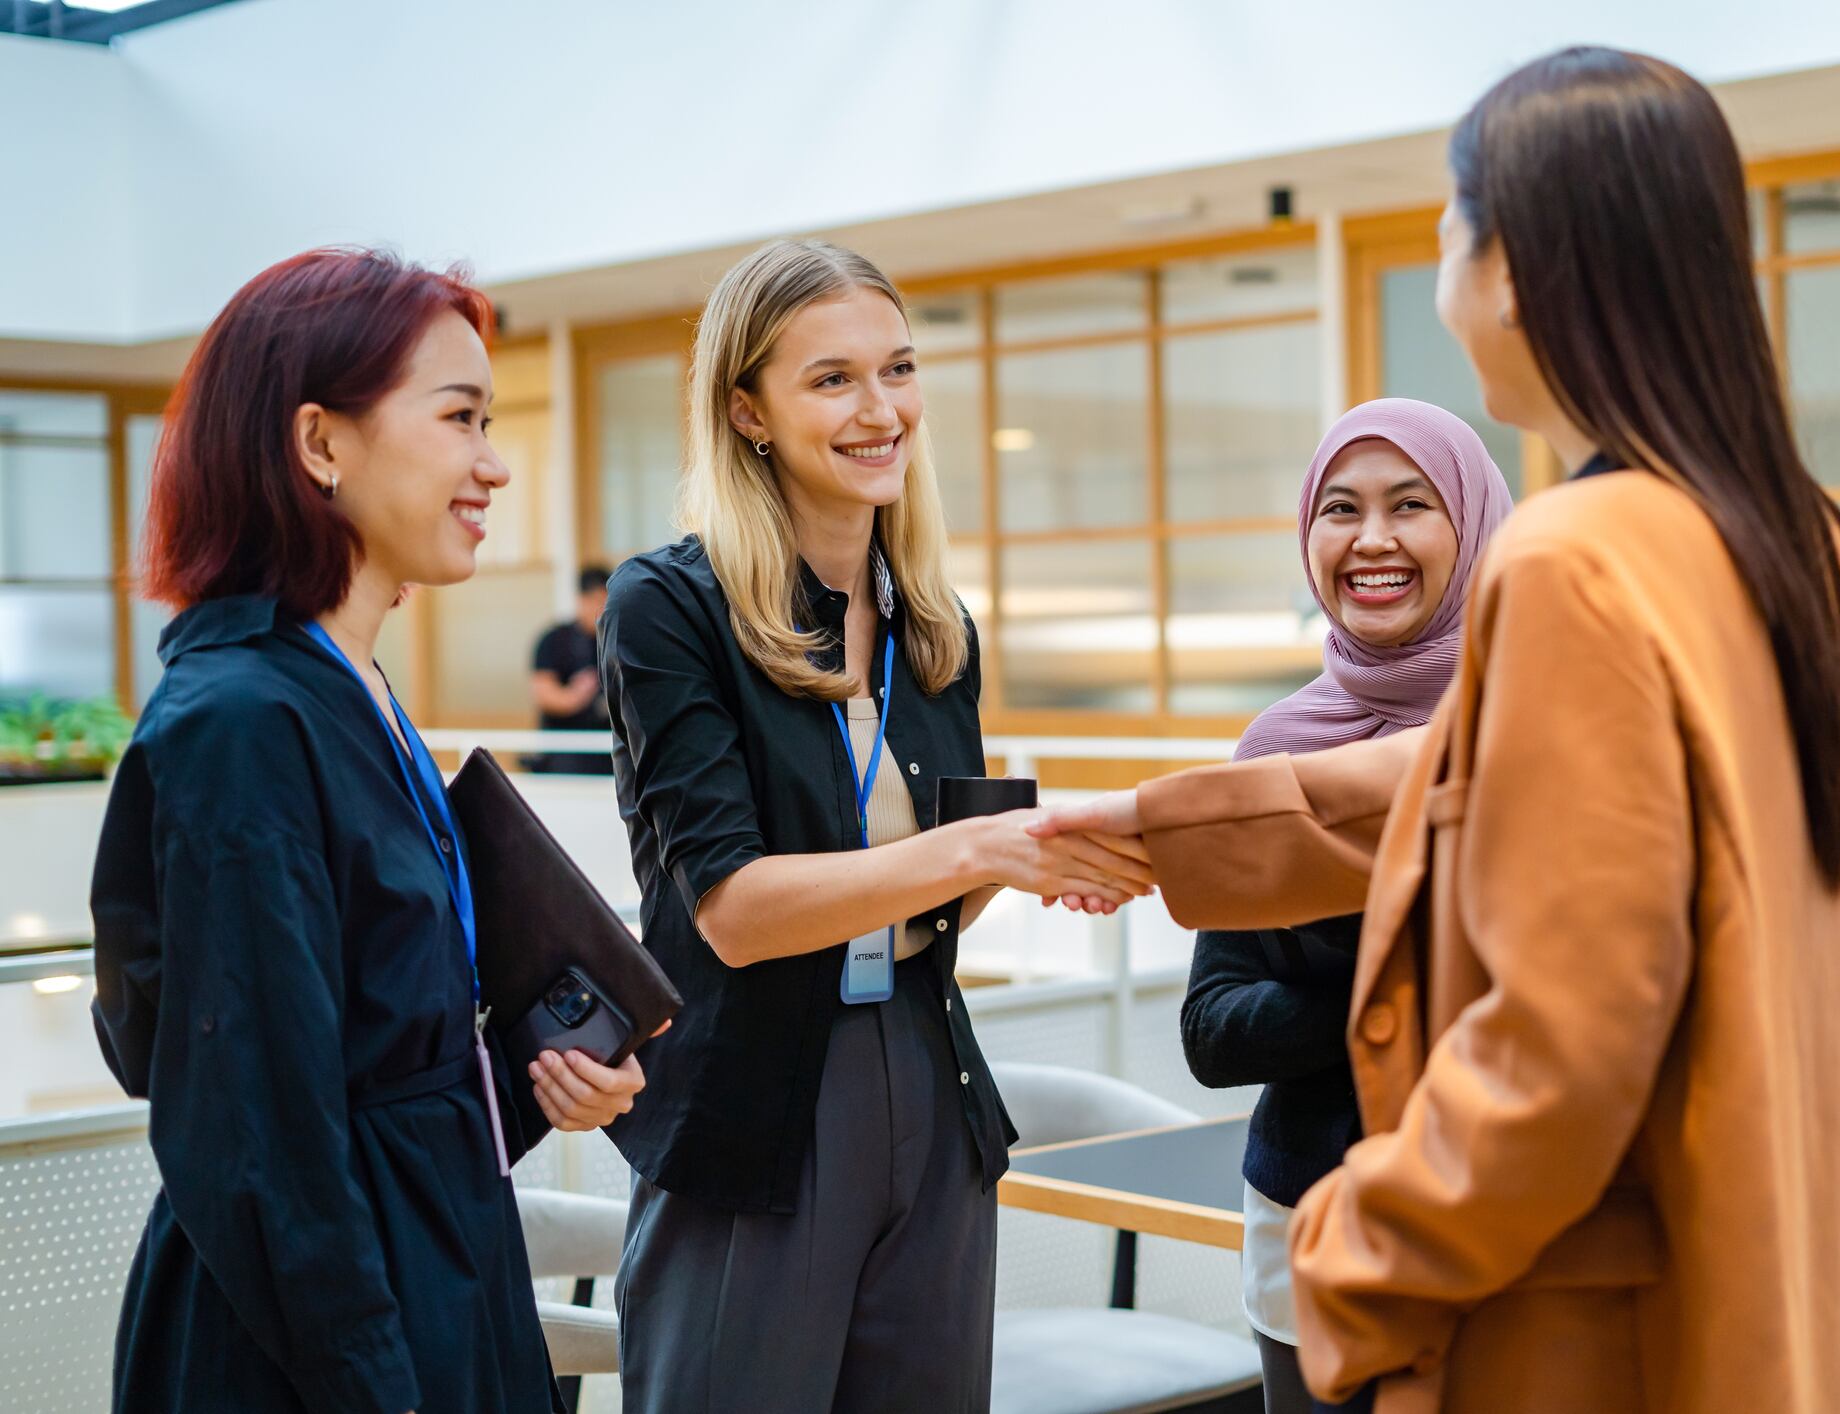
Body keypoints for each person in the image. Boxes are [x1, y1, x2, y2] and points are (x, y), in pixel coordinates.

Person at [1035, 46, 1840, 1414]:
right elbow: (1469, 788)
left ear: (1514, 268)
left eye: (1449, 227)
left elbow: (1563, 1030)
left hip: (1576, 1312)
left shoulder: (1572, 559)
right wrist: (1155, 827)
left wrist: (1361, 1251)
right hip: (1749, 1257)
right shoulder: (1794, 539)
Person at [90, 248, 649, 1414]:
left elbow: (384, 1073)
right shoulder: (242, 721)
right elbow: (262, 1137)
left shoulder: (355, 695)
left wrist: (534, 1078)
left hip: (430, 1287)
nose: (494, 464)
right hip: (312, 1350)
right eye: (460, 417)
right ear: (321, 446)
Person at [598, 238, 1152, 1414]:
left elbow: (937, 885)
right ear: (747, 411)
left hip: (925, 1067)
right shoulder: (670, 607)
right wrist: (972, 848)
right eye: (832, 378)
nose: (879, 408)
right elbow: (737, 913)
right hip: (761, 1094)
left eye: (896, 370)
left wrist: (1040, 860)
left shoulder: (935, 624)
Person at [1179, 399, 1510, 1414]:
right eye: (1340, 508)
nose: (1371, 539)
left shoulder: (1535, 722)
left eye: (1410, 504)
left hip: (1514, 1212)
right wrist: (1396, 999)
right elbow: (1212, 1031)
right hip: (1309, 1210)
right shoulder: (1278, 747)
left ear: (1475, 524)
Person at [528, 564, 614, 773]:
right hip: (564, 755)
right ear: (580, 600)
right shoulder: (555, 639)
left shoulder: (617, 640)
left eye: (607, 601)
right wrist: (576, 695)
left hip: (610, 755)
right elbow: (544, 694)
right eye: (595, 600)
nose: (601, 607)